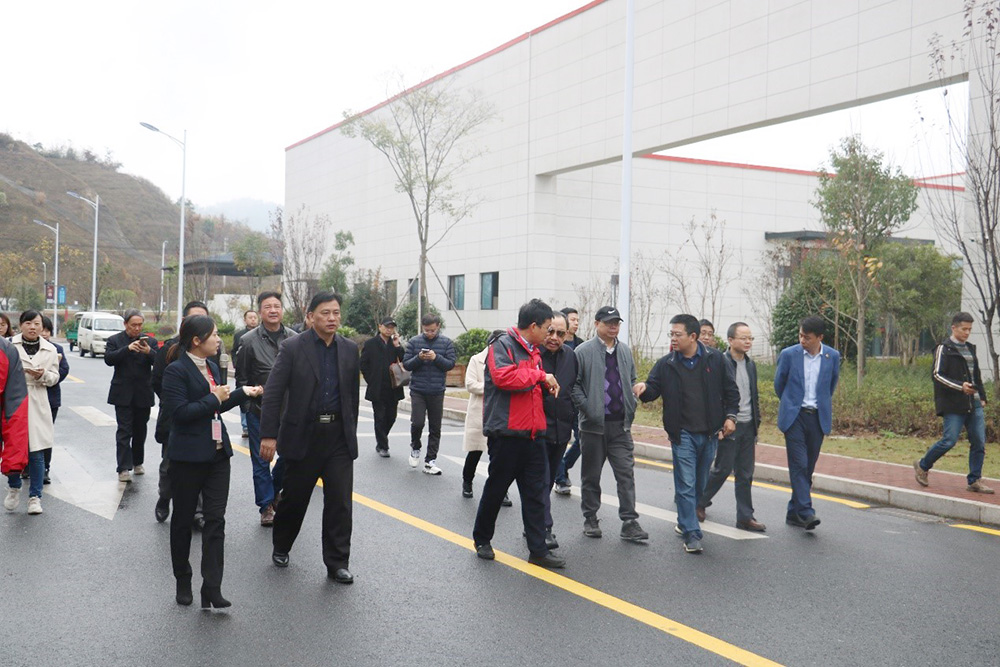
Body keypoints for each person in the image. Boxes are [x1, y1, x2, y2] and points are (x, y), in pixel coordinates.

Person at [160, 315, 261, 608]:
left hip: (217, 455)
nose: (218, 340)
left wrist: (242, 393)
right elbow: (180, 413)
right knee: (182, 521)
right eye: (214, 335)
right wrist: (214, 399)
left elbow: (218, 405)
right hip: (187, 457)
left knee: (215, 521)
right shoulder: (176, 371)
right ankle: (183, 579)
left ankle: (212, 587)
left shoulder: (214, 367)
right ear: (197, 340)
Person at [260, 291, 360, 584]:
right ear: (310, 316)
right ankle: (282, 545)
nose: (332, 318)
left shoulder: (349, 349)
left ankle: (337, 562)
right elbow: (274, 393)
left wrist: (350, 431)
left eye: (336, 313)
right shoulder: (293, 347)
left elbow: (352, 396)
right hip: (304, 435)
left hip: (338, 437)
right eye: (325, 313)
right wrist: (269, 435)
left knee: (340, 502)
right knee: (295, 499)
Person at [472, 299, 565, 569]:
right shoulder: (501, 345)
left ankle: (538, 550)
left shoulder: (534, 351)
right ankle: (482, 539)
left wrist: (543, 384)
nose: (549, 334)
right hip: (507, 434)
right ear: (533, 326)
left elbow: (529, 383)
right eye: (547, 328)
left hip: (534, 434)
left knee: (536, 494)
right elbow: (503, 377)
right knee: (496, 489)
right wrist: (540, 377)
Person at [634, 314, 738, 553]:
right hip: (682, 434)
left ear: (693, 336)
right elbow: (653, 389)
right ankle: (692, 533)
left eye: (677, 334)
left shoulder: (715, 360)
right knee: (686, 484)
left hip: (710, 433)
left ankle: (684, 520)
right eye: (671, 334)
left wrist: (731, 417)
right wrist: (643, 388)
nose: (673, 338)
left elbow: (731, 391)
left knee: (700, 486)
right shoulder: (666, 363)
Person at [571, 306, 648, 543]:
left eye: (617, 323)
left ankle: (629, 521)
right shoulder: (582, 351)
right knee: (591, 476)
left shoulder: (624, 351)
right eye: (608, 323)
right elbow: (574, 385)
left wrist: (633, 399)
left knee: (626, 474)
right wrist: (589, 409)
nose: (613, 327)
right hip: (593, 426)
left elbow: (631, 379)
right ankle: (590, 518)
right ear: (597, 324)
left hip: (620, 426)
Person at [696, 322, 765, 531]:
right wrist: (721, 422)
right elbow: (716, 395)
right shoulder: (721, 362)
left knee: (745, 473)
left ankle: (745, 516)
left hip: (748, 425)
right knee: (722, 469)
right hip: (729, 424)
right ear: (730, 340)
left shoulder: (750, 364)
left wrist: (756, 422)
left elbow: (753, 395)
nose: (748, 342)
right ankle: (699, 502)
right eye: (743, 338)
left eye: (750, 338)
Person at [774, 315, 841, 530]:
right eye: (800, 335)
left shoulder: (832, 356)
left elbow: (830, 386)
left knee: (808, 467)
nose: (802, 340)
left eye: (807, 337)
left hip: (817, 418)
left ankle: (793, 512)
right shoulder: (789, 355)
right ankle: (806, 511)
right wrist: (791, 403)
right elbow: (779, 384)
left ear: (820, 337)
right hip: (795, 417)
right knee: (799, 464)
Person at [915, 312, 994, 494]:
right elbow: (937, 375)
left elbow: (976, 375)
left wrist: (982, 396)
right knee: (949, 441)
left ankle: (974, 481)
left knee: (979, 442)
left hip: (974, 403)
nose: (967, 333)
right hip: (954, 404)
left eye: (969, 329)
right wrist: (960, 387)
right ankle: (923, 465)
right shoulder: (944, 348)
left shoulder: (970, 348)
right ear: (953, 327)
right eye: (964, 329)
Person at [235, 292, 296, 526]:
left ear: (282, 310)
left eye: (277, 306)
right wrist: (248, 406)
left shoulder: (294, 339)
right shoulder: (248, 341)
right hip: (259, 409)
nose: (273, 310)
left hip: (289, 411)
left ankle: (273, 489)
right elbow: (242, 379)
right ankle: (266, 506)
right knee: (261, 460)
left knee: (289, 456)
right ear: (260, 312)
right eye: (268, 306)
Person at [152, 301, 211, 524]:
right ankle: (164, 497)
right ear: (184, 322)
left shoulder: (212, 350)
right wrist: (178, 401)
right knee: (170, 466)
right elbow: (157, 382)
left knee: (202, 465)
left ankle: (197, 512)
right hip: (175, 417)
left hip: (204, 416)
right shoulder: (169, 350)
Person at [4, 311, 59, 514]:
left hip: (38, 399)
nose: (33, 327)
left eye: (36, 323)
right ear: (20, 325)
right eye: (28, 323)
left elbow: (55, 377)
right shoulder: (9, 345)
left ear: (42, 326)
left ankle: (35, 497)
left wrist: (43, 375)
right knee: (13, 448)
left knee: (37, 451)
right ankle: (14, 486)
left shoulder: (50, 349)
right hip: (14, 399)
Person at [105, 308, 158, 482]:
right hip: (122, 393)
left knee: (140, 430)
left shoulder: (150, 341)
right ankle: (122, 468)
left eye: (140, 325)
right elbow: (109, 359)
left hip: (143, 393)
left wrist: (148, 352)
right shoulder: (115, 340)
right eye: (133, 325)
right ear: (125, 324)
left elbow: (160, 362)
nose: (137, 328)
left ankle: (137, 462)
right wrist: (127, 349)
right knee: (124, 430)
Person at [539, 312, 577, 550]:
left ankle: (533, 523)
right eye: (550, 331)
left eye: (560, 333)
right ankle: (544, 528)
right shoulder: (533, 355)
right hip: (537, 430)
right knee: (541, 480)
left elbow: (574, 388)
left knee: (549, 479)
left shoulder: (571, 356)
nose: (554, 337)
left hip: (562, 430)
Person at [461, 331, 511, 507]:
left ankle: (501, 491)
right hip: (480, 412)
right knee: (475, 451)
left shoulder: (508, 361)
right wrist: (492, 386)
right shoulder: (476, 360)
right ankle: (467, 482)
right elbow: (470, 384)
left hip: (500, 413)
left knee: (499, 456)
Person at [403, 313, 456, 475]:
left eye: (432, 330)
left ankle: (430, 460)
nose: (429, 333)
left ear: (438, 326)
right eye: (426, 330)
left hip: (437, 390)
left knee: (435, 427)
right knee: (417, 422)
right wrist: (419, 357)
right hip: (418, 390)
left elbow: (450, 364)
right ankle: (415, 447)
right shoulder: (414, 342)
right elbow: (407, 364)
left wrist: (436, 357)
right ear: (422, 328)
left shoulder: (446, 343)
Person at [359, 317, 404, 457]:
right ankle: (383, 446)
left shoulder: (394, 344)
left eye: (392, 327)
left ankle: (381, 440)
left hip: (393, 387)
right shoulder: (370, 344)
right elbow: (363, 364)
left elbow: (405, 360)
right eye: (387, 327)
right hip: (377, 387)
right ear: (380, 327)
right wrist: (371, 380)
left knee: (391, 417)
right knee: (379, 417)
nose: (389, 330)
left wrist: (398, 346)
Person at [553, 307, 583, 495]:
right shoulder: (551, 346)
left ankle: (562, 466)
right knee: (557, 441)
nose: (576, 323)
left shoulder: (581, 346)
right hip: (559, 403)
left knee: (582, 440)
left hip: (576, 404)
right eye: (573, 319)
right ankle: (561, 478)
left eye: (577, 320)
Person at [0, 335, 29, 507]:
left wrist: (14, 466)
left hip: (6, 410)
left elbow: (16, 401)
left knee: (15, 439)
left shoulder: (7, 350)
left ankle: (14, 482)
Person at [40, 315, 69, 485]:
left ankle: (45, 468)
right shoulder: (26, 349)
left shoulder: (56, 349)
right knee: (28, 433)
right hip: (30, 397)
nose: (44, 333)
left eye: (47, 330)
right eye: (42, 329)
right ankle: (27, 465)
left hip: (51, 397)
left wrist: (50, 377)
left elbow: (64, 369)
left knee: (46, 434)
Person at [231, 309, 259, 439]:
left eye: (255, 317)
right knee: (243, 396)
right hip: (243, 372)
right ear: (245, 320)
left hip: (256, 372)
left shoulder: (262, 334)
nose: (253, 320)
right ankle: (245, 426)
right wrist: (236, 364)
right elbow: (234, 352)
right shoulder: (239, 335)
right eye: (250, 317)